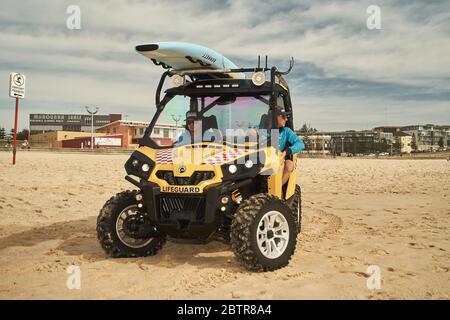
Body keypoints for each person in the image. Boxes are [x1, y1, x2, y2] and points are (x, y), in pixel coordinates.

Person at [275, 106, 305, 184]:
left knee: (289, 165)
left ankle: (279, 188)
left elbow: (300, 144)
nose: (286, 119)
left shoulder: (286, 131)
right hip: (262, 160)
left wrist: (287, 151)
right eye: (284, 116)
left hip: (280, 160)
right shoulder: (262, 130)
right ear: (276, 117)